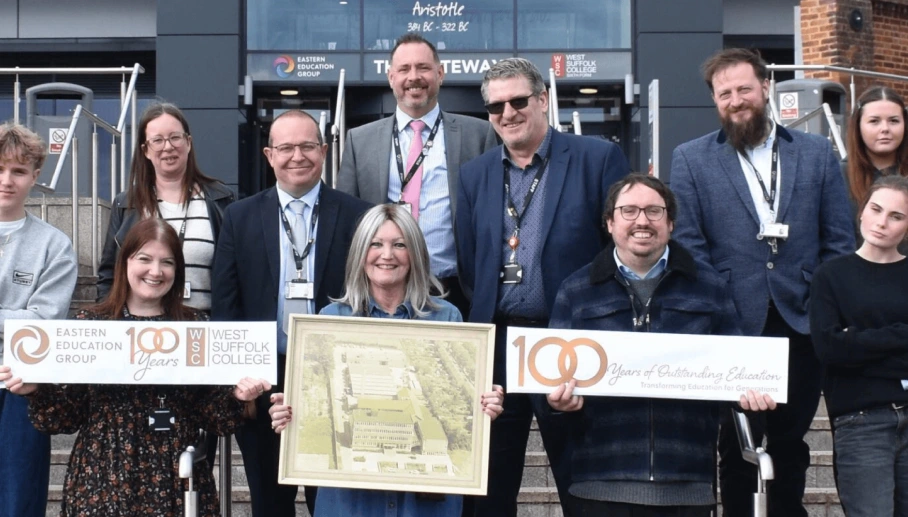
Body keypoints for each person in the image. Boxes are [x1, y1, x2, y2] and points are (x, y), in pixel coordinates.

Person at [669, 48, 855, 517]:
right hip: (733, 326)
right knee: (737, 449)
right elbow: (689, 247)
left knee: (791, 446)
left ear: (766, 87)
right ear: (715, 100)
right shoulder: (690, 159)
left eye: (744, 89)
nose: (735, 100)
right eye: (724, 93)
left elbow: (838, 241)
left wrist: (820, 308)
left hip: (801, 325)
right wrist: (722, 318)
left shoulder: (816, 153)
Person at [0, 218, 270, 517]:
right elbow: (65, 418)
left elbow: (213, 416)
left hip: (175, 478)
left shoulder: (195, 326)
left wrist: (237, 397)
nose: (156, 271)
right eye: (145, 259)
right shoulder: (90, 324)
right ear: (124, 262)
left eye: (167, 262)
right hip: (101, 478)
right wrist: (37, 390)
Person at [456, 57, 630, 517]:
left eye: (518, 101)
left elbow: (616, 251)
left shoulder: (597, 158)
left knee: (583, 486)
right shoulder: (474, 174)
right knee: (490, 491)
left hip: (571, 343)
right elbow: (471, 262)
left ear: (543, 100)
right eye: (496, 107)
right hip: (499, 347)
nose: (507, 113)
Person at [547, 173, 777, 516]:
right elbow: (549, 380)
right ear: (609, 223)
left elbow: (735, 369)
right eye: (629, 211)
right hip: (599, 484)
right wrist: (556, 401)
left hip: (688, 486)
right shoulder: (576, 291)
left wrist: (751, 394)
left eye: (654, 211)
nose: (642, 221)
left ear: (671, 224)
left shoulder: (709, 288)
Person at [268, 203, 505, 516]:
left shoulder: (448, 319)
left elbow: (461, 412)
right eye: (375, 244)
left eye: (400, 245)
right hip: (351, 503)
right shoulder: (329, 320)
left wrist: (483, 404)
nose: (387, 255)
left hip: (425, 505)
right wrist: (293, 412)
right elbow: (316, 410)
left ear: (415, 254)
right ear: (360, 253)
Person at [212, 109, 371, 517]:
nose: (297, 156)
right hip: (263, 378)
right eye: (285, 148)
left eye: (306, 146)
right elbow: (226, 304)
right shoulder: (240, 217)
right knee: (269, 502)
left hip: (336, 377)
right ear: (269, 155)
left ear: (324, 151)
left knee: (334, 501)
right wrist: (236, 380)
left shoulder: (358, 215)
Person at [337, 32, 498, 318]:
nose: (414, 77)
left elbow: (491, 218)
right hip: (382, 293)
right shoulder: (359, 141)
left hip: (452, 288)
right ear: (391, 77)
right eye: (404, 69)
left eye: (423, 68)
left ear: (440, 74)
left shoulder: (479, 134)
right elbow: (348, 221)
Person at [810, 175, 908, 517]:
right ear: (861, 211)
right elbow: (830, 350)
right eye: (876, 209)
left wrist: (857, 339)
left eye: (896, 216)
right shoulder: (830, 276)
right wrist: (901, 335)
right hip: (861, 421)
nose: (882, 222)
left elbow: (847, 348)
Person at [0, 122, 78, 517]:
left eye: (18, 171)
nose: (6, 180)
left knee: (19, 499)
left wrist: (22, 322)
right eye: (0, 169)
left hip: (21, 384)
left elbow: (41, 323)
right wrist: (14, 318)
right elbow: (25, 318)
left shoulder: (54, 246)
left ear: (35, 176)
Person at [99, 102, 235, 311]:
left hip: (206, 325)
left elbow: (236, 273)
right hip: (141, 325)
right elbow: (109, 275)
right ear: (145, 150)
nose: (168, 147)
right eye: (157, 140)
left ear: (188, 142)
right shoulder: (126, 204)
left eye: (175, 137)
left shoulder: (221, 199)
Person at [844, 86, 908, 246]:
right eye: (874, 121)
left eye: (894, 121)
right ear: (858, 125)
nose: (885, 129)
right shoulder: (837, 175)